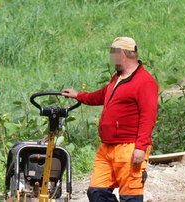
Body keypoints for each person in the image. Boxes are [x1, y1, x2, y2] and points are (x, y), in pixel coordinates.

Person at [63, 37, 158, 202]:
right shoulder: (117, 78)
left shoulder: (145, 82)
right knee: (96, 192)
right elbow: (102, 95)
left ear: (124, 54)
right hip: (107, 147)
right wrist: (79, 95)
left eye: (114, 53)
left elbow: (148, 116)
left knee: (130, 197)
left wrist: (141, 147)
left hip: (129, 147)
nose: (111, 57)